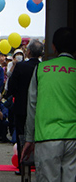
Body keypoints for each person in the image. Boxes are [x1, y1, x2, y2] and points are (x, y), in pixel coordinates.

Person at [21, 27, 76, 182]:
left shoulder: (41, 69)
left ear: (53, 46)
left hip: (46, 137)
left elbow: (32, 105)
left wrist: (29, 139)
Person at [6, 39, 43, 175]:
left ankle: (24, 166)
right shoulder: (43, 67)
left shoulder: (20, 67)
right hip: (39, 107)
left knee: (22, 136)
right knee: (38, 136)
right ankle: (39, 165)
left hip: (21, 106)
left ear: (28, 52)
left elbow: (11, 88)